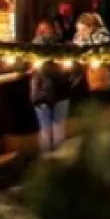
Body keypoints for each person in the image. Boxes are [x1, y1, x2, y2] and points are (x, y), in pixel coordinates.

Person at [28, 21, 73, 153]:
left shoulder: (31, 48)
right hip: (61, 92)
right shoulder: (63, 47)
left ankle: (46, 163)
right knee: (58, 128)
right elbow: (74, 69)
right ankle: (59, 162)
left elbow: (23, 68)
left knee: (45, 129)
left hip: (41, 93)